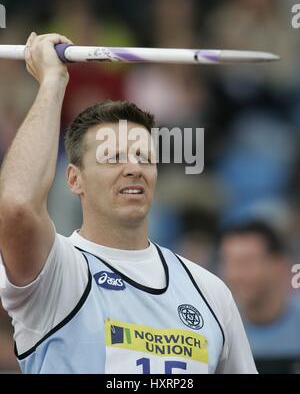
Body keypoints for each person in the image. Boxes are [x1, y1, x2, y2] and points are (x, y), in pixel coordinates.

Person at [0, 33, 256, 374]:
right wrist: (52, 82)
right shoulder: (57, 274)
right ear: (74, 179)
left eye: (143, 156)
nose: (133, 168)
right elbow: (17, 205)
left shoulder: (210, 292)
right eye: (113, 157)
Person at [218, 221, 300, 374]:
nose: (235, 274)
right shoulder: (216, 330)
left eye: (245, 263)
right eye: (228, 262)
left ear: (279, 265)